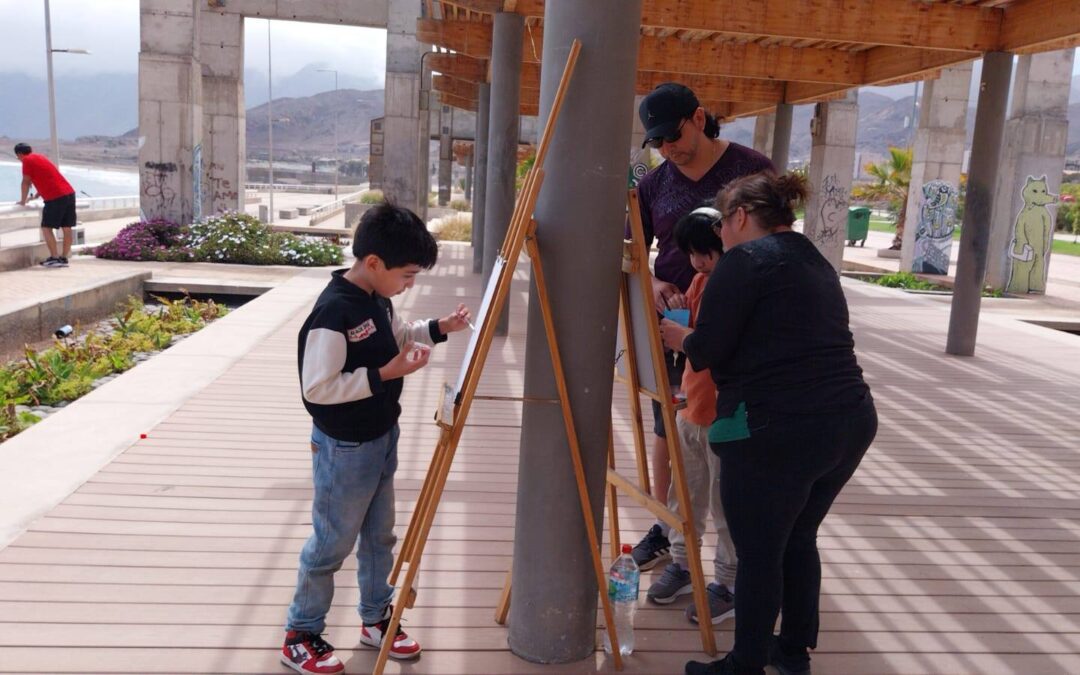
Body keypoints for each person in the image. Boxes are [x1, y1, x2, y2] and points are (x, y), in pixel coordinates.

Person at [660, 172, 877, 675]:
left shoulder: (744, 261)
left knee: (759, 551)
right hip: (849, 420)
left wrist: (680, 338)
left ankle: (746, 662)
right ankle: (793, 651)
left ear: (738, 217)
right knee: (798, 537)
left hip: (777, 428)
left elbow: (711, 348)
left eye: (723, 226)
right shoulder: (812, 258)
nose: (721, 237)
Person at [282, 203, 472, 674]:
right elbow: (318, 387)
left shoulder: (377, 299)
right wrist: (386, 373)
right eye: (407, 275)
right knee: (331, 542)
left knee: (378, 537)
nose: (409, 284)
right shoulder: (332, 312)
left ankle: (374, 618)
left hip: (381, 436)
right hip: (344, 447)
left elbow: (397, 333)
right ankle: (301, 633)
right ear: (373, 263)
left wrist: (437, 328)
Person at [629, 83, 773, 576]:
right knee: (669, 422)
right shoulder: (652, 184)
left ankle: (738, 555)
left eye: (673, 134)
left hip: (739, 323)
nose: (667, 147)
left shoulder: (752, 169)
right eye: (657, 141)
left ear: (699, 116)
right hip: (675, 321)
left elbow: (776, 243)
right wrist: (650, 283)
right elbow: (630, 251)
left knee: (732, 425)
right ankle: (668, 525)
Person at [645, 205, 738, 629]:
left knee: (726, 505)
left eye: (707, 254)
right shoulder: (700, 282)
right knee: (685, 495)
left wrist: (685, 333)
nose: (699, 264)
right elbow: (690, 343)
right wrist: (680, 316)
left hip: (725, 417)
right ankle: (683, 564)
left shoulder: (740, 286)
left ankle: (729, 583)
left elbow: (716, 345)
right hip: (692, 408)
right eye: (692, 255)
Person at [14, 143, 77, 268]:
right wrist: (36, 196)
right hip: (69, 193)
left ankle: (54, 258)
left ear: (20, 154)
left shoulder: (27, 160)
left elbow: (25, 182)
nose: (19, 159)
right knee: (66, 227)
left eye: (17, 157)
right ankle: (64, 258)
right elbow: (48, 177)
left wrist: (22, 201)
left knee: (46, 228)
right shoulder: (40, 157)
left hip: (55, 197)